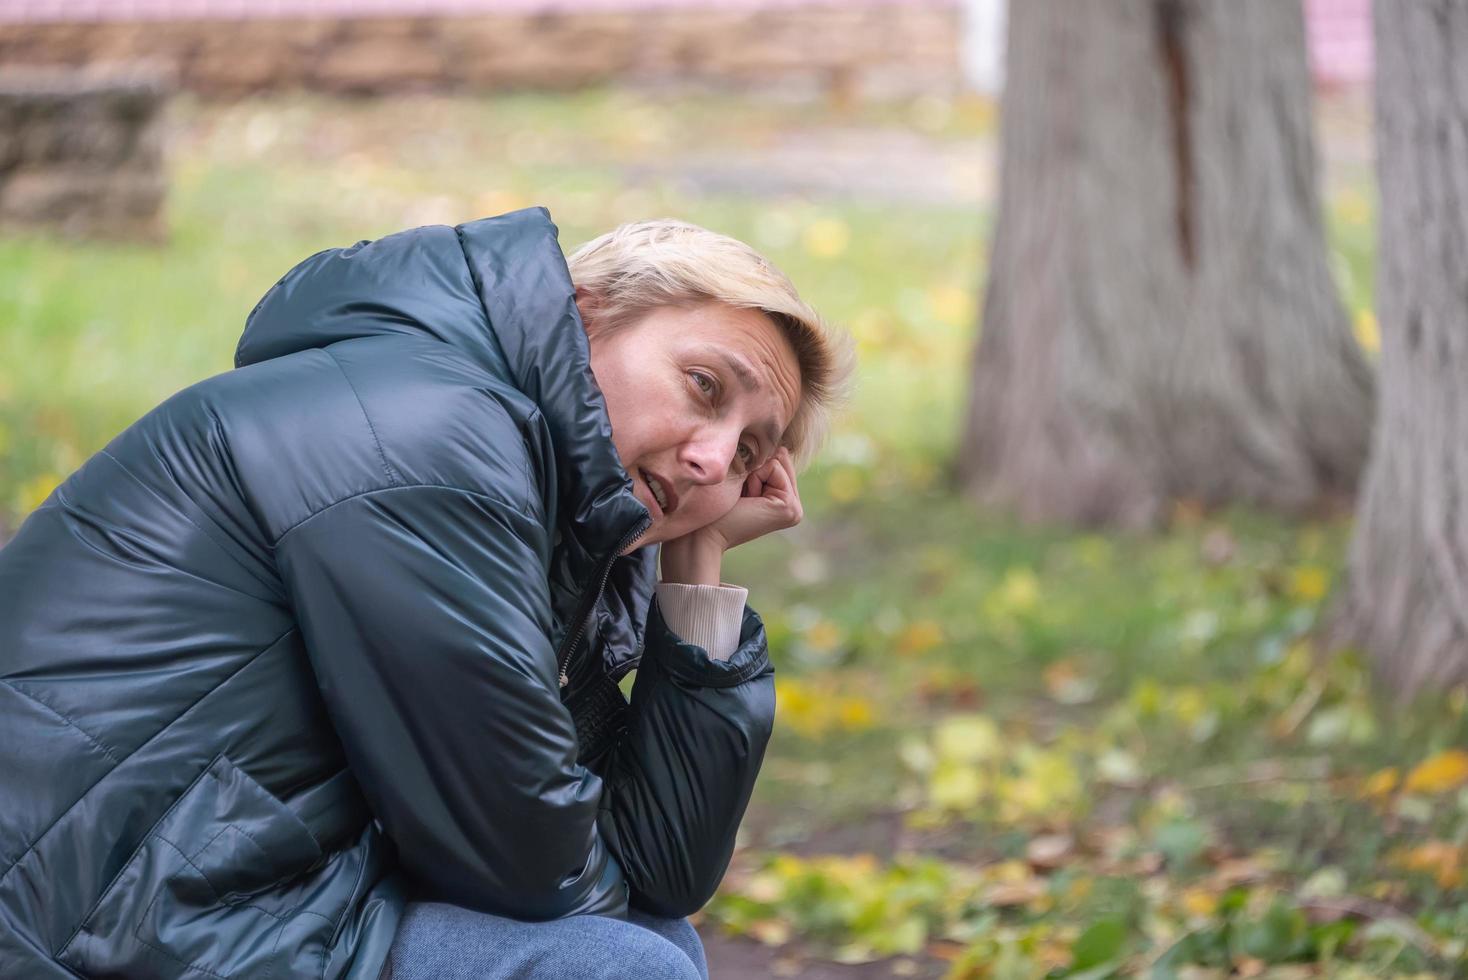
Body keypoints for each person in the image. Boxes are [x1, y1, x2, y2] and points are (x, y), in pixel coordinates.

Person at [0, 207, 851, 979]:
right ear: (584, 312)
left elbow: (662, 873)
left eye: (747, 454)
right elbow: (533, 866)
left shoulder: (560, 524)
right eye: (703, 386)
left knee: (656, 945)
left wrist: (696, 566)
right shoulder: (427, 444)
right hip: (68, 912)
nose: (713, 460)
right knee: (622, 969)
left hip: (218, 891)